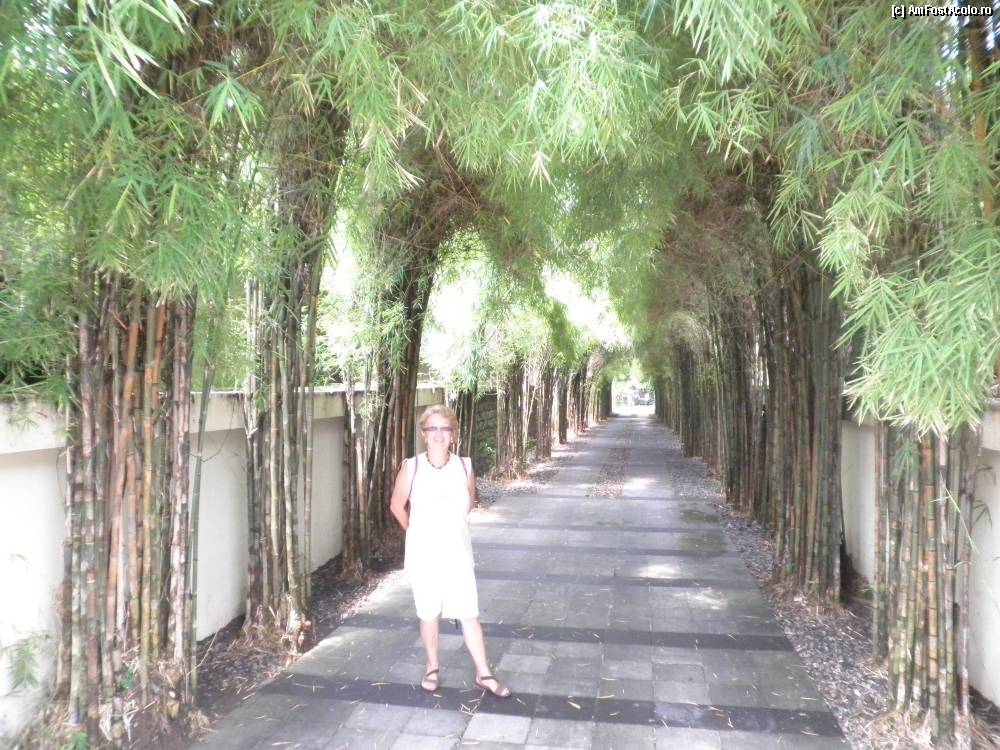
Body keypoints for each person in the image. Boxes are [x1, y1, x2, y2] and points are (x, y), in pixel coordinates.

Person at [388, 404, 511, 698]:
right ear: (423, 434)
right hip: (424, 556)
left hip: (458, 553)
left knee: (469, 613)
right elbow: (396, 506)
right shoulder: (411, 467)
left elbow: (468, 503)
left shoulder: (464, 466)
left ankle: (484, 673)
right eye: (432, 428)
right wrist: (416, 532)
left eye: (445, 428)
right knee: (429, 613)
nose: (439, 434)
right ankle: (432, 667)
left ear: (453, 434)